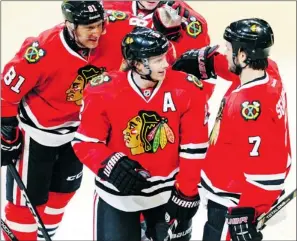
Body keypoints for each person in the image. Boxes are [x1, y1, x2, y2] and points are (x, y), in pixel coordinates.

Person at [0, 1, 126, 240]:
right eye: (89, 27)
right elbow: (7, 91)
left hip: (79, 132)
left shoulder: (115, 33)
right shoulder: (42, 51)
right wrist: (7, 133)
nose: (97, 32)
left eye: (100, 25)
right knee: (26, 205)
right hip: (37, 132)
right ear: (70, 25)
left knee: (62, 193)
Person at [72, 26, 209, 241]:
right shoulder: (103, 91)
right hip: (117, 196)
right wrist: (110, 164)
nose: (165, 64)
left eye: (164, 56)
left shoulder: (187, 88)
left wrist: (188, 190)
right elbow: (85, 142)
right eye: (156, 60)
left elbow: (194, 146)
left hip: (168, 194)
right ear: (136, 63)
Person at [172, 18, 292, 241]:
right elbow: (232, 69)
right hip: (229, 188)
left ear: (244, 56)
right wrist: (207, 63)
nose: (225, 53)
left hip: (233, 198)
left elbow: (268, 171)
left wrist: (245, 214)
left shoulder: (247, 107)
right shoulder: (269, 72)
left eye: (229, 49)